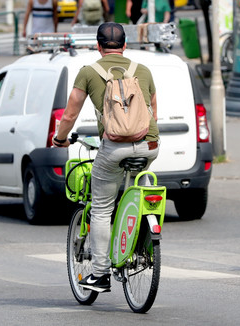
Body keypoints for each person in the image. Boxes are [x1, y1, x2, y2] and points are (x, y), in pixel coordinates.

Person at [52, 22, 160, 292]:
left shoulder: (89, 72)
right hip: (149, 145)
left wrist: (60, 138)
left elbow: (69, 114)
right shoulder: (143, 71)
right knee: (139, 189)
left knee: (101, 208)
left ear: (98, 46)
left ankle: (100, 273)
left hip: (114, 147)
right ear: (125, 45)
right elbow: (153, 111)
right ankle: (140, 242)